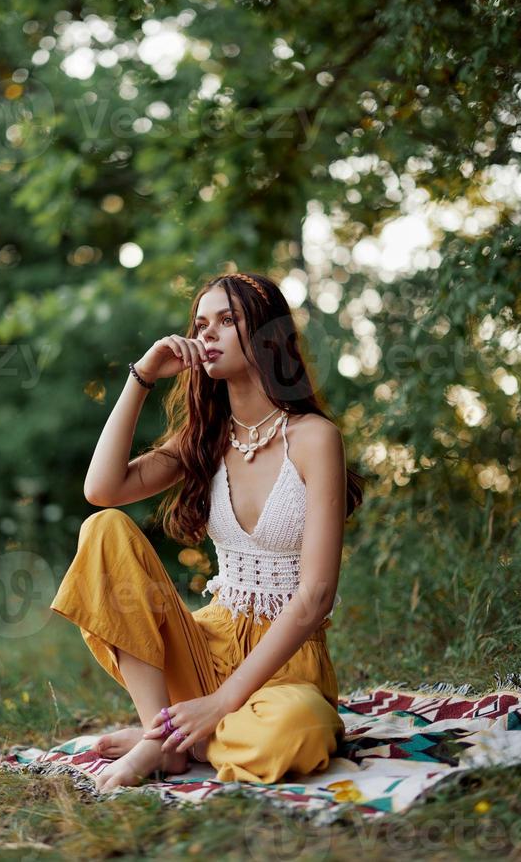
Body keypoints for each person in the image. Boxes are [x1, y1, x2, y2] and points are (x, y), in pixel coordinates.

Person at [49, 271, 365, 794]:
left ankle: (179, 736)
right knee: (104, 529)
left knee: (299, 731)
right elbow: (102, 489)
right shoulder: (204, 439)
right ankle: (164, 741)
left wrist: (222, 702)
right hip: (206, 644)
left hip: (284, 666)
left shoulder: (315, 439)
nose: (207, 334)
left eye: (227, 320)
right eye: (200, 323)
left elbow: (315, 595)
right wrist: (142, 376)